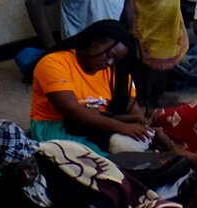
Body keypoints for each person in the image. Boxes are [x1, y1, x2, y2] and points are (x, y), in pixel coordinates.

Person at [28, 20, 154, 152]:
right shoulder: (53, 63)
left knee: (142, 142)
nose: (110, 63)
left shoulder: (116, 71)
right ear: (95, 41)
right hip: (57, 126)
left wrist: (139, 124)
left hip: (102, 125)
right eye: (109, 55)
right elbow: (72, 111)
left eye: (116, 60)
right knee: (112, 157)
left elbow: (133, 111)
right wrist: (122, 127)